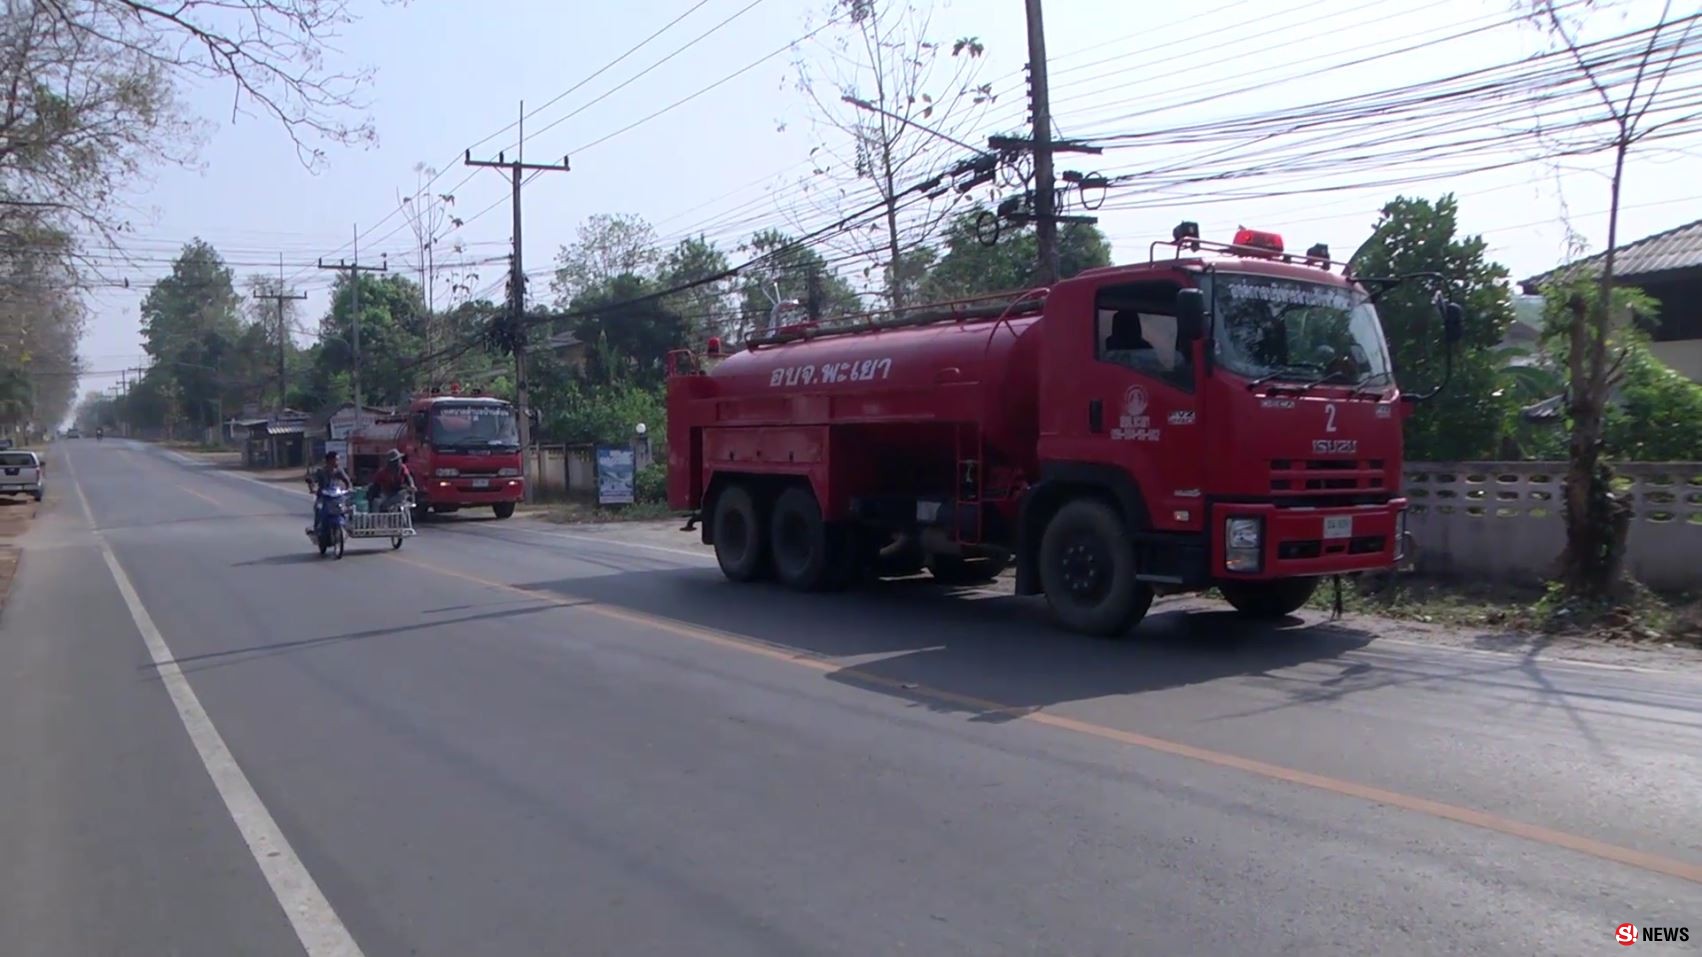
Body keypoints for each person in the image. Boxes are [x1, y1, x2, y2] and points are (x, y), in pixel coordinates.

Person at [305, 451, 353, 534]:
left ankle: (347, 526)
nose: (337, 462)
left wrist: (349, 488)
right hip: (323, 497)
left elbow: (347, 480)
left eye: (338, 460)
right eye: (336, 460)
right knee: (318, 508)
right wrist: (312, 486)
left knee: (347, 508)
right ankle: (316, 529)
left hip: (336, 497)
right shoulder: (321, 471)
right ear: (330, 460)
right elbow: (313, 480)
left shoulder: (339, 471)